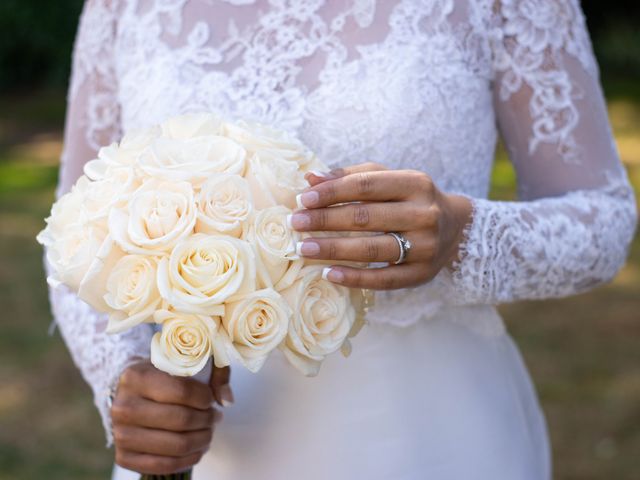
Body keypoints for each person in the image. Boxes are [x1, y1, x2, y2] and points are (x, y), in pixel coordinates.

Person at [48, 0, 637, 479]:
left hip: (425, 430)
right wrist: (124, 378)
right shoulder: (123, 7)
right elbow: (75, 234)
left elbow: (604, 216)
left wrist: (464, 234)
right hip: (205, 437)